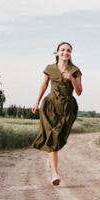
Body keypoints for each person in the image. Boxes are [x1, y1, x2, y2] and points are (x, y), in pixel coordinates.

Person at [32, 42, 83, 186]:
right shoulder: (50, 69)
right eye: (62, 50)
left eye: (68, 51)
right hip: (50, 105)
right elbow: (44, 86)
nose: (65, 53)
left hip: (68, 107)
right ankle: (55, 174)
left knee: (61, 136)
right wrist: (37, 102)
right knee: (52, 137)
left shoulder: (75, 70)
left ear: (70, 54)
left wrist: (71, 79)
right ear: (57, 52)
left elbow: (79, 92)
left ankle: (51, 155)